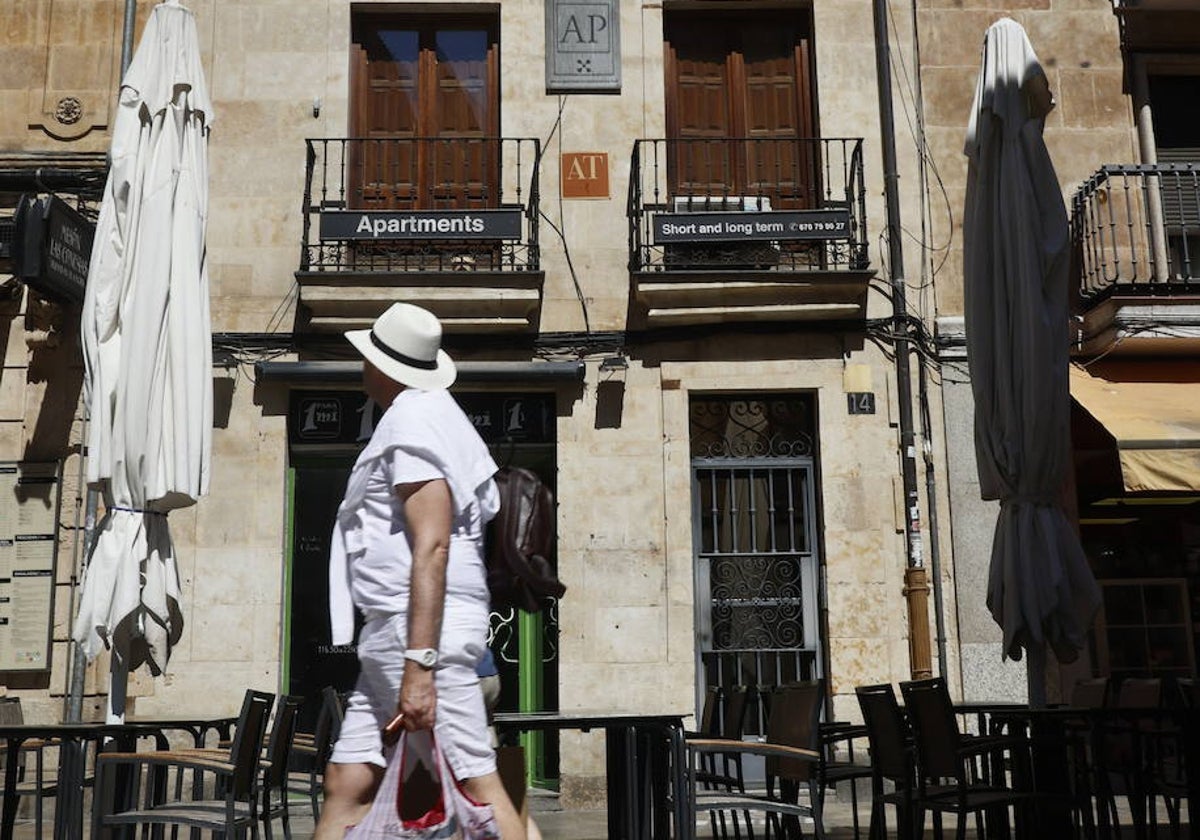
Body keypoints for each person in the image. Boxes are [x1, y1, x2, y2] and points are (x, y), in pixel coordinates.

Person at [314, 302, 526, 840]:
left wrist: (420, 664)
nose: (361, 366)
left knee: (480, 785)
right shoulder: (432, 418)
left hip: (418, 634)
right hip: (396, 634)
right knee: (345, 781)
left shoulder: (413, 421)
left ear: (384, 366)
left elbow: (431, 545)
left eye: (366, 356)